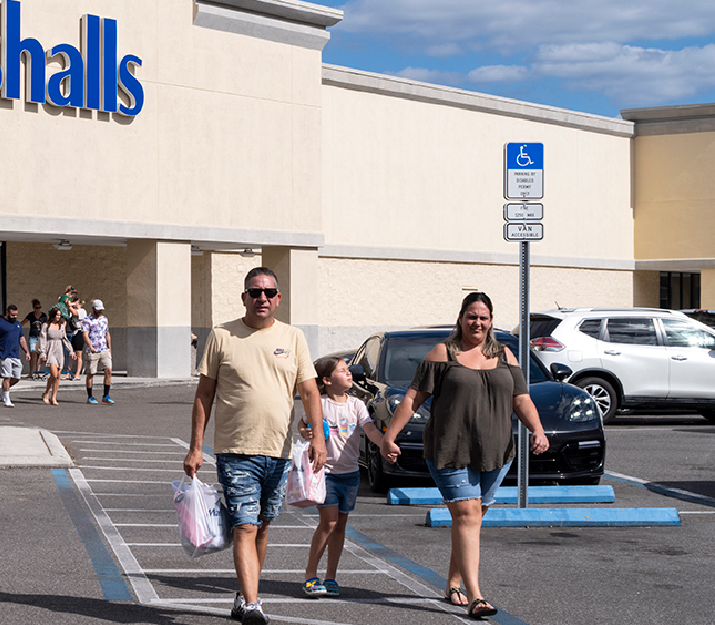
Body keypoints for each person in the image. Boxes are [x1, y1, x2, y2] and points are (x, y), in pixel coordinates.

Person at [380, 291, 548, 620]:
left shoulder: (505, 355)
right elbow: (413, 399)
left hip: (496, 452)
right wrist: (389, 436)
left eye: (484, 317)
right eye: (472, 316)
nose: (478, 322)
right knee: (468, 516)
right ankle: (476, 596)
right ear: (461, 318)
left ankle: (453, 583)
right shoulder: (443, 353)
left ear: (491, 321)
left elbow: (522, 399)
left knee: (470, 520)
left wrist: (537, 430)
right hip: (450, 449)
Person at [183, 267, 327, 625]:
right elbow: (204, 394)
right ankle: (251, 605)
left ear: (278, 298)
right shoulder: (222, 336)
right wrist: (196, 447)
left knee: (262, 525)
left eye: (268, 292)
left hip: (277, 451)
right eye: (255, 292)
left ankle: (246, 595)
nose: (262, 298)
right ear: (244, 297)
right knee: (245, 526)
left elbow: (309, 390)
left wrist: (319, 438)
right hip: (235, 449)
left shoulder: (293, 337)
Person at [297, 357, 385, 598]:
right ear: (326, 380)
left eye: (348, 370)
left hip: (351, 474)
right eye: (343, 371)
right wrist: (304, 430)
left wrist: (386, 445)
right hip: (324, 473)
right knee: (330, 522)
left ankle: (331, 577)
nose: (349, 374)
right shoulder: (319, 403)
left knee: (340, 526)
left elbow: (370, 430)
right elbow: (302, 424)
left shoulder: (356, 404)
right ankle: (310, 574)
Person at [0, 304, 29, 408]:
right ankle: (7, 399)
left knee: (17, 377)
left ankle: (2, 390)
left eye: (16, 315)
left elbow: (22, 339)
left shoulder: (18, 325)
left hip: (15, 354)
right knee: (7, 377)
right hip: (4, 355)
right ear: (7, 313)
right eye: (12, 315)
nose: (14, 317)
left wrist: (27, 351)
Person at [78, 298, 114, 404]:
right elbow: (85, 335)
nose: (100, 311)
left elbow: (107, 334)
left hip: (104, 349)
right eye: (98, 309)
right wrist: (90, 346)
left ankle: (106, 395)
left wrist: (109, 348)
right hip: (92, 350)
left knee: (108, 371)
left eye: (101, 309)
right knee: (91, 373)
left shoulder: (104, 319)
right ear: (93, 308)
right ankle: (90, 396)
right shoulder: (87, 320)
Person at [40, 310, 72, 404]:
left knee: (57, 376)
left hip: (59, 351)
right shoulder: (46, 325)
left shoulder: (61, 326)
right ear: (53, 315)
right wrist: (43, 354)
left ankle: (53, 397)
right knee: (53, 374)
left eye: (59, 315)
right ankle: (46, 392)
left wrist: (71, 351)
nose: (59, 317)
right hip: (50, 351)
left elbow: (65, 339)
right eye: (57, 315)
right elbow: (43, 340)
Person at [24, 299, 47, 377]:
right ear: (33, 308)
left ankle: (38, 372)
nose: (38, 309)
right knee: (32, 353)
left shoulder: (43, 316)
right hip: (33, 336)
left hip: (41, 337)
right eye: (37, 308)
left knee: (39, 355)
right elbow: (24, 322)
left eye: (39, 307)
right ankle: (31, 372)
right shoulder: (31, 315)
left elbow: (47, 324)